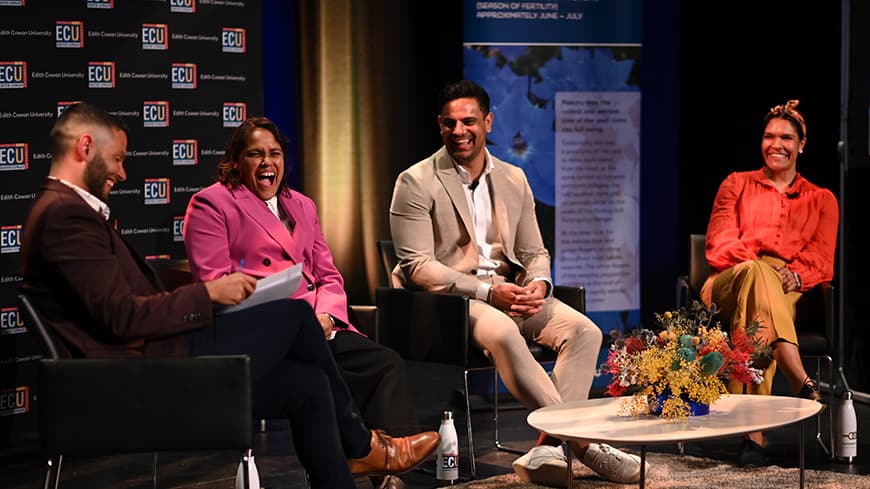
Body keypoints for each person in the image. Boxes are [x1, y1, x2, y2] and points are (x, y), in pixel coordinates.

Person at [18, 102, 439, 489]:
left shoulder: (65, 212)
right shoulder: (65, 216)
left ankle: (355, 457)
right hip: (139, 375)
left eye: (275, 153)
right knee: (292, 318)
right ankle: (363, 445)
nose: (123, 174)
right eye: (118, 160)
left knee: (309, 386)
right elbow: (122, 319)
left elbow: (327, 273)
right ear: (84, 147)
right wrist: (208, 293)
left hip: (156, 354)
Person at [388, 80, 645, 486]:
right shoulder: (416, 181)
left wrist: (539, 283)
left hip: (511, 293)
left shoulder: (513, 178)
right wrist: (488, 292)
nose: (460, 131)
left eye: (469, 121)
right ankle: (586, 444)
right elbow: (418, 266)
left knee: (584, 331)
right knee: (505, 330)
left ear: (487, 122)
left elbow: (534, 253)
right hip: (455, 303)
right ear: (439, 126)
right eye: (450, 123)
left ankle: (548, 448)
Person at [183, 116, 420, 489]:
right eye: (255, 154)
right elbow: (213, 284)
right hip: (265, 331)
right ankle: (368, 453)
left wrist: (326, 314)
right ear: (235, 162)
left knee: (384, 363)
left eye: (274, 154)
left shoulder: (302, 205)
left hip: (318, 326)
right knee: (321, 381)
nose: (266, 163)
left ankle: (390, 475)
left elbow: (329, 275)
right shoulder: (212, 203)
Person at [700, 99, 838, 467]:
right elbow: (719, 241)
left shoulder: (823, 200)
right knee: (758, 276)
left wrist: (797, 274)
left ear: (802, 144)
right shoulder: (737, 183)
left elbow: (822, 259)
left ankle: (753, 434)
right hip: (729, 279)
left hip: (786, 289)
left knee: (762, 303)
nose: (776, 144)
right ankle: (797, 377)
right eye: (768, 136)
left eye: (787, 138)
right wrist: (760, 268)